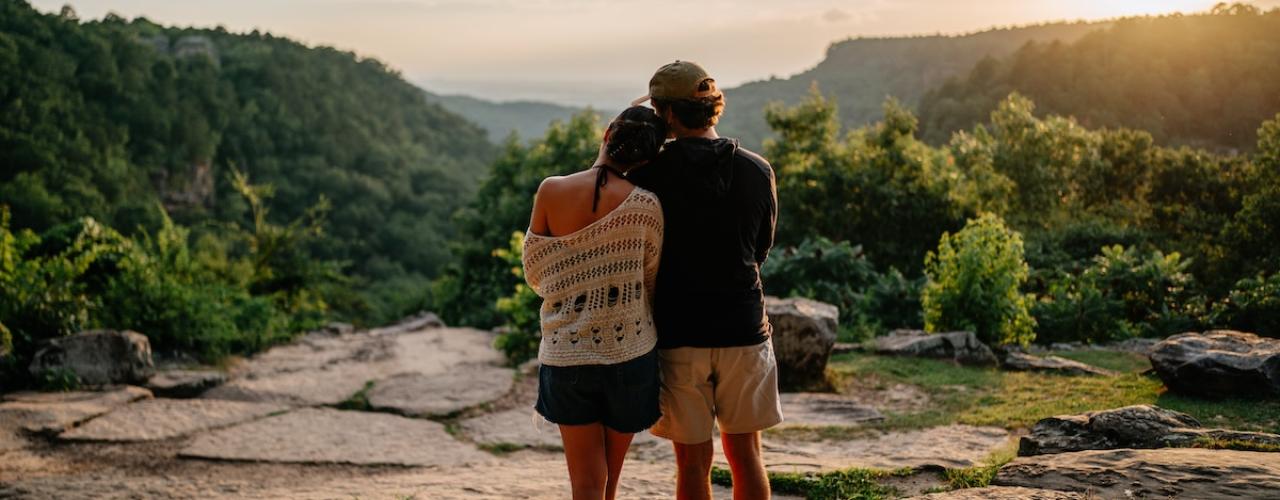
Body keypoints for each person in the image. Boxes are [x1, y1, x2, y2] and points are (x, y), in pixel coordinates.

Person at [627, 60, 783, 500]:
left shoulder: (646, 176)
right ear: (713, 107)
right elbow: (760, 250)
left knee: (692, 464)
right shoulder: (757, 170)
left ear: (669, 115)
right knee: (747, 454)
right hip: (743, 328)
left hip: (679, 333)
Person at [522, 106, 668, 500]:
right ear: (647, 158)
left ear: (607, 133)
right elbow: (649, 282)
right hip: (631, 351)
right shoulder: (648, 206)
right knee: (610, 485)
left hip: (568, 354)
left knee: (585, 486)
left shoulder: (551, 190)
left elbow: (537, 275)